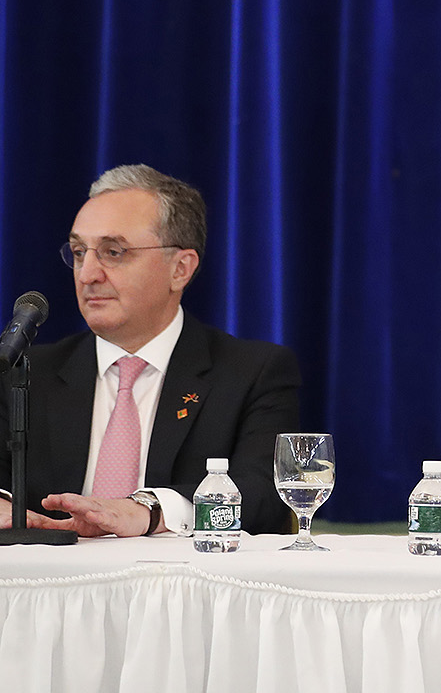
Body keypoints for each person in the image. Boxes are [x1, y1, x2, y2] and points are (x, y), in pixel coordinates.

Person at [0, 165, 301, 536]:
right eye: (79, 252)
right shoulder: (25, 373)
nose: (87, 274)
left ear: (180, 269)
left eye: (113, 252)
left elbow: (265, 497)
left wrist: (148, 512)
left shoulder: (252, 373)